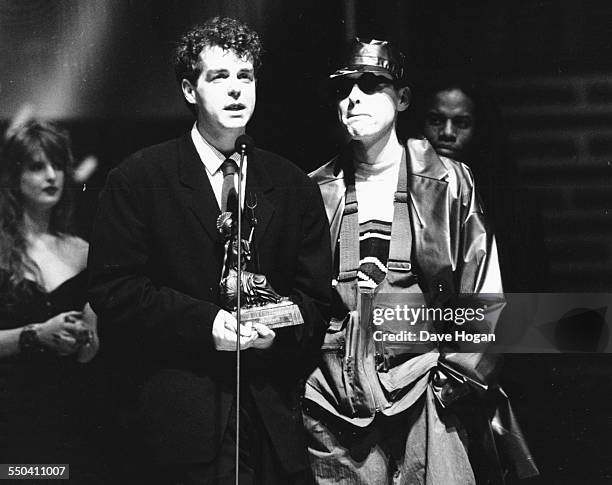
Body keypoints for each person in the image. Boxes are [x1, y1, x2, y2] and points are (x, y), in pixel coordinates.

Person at [87, 17, 331, 485]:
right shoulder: (140, 178)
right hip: (177, 425)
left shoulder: (293, 185)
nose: (236, 90)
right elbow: (114, 290)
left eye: (246, 77)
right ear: (188, 89)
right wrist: (206, 325)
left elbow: (317, 301)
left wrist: (275, 333)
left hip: (271, 426)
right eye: (219, 77)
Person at [302, 39, 538, 484]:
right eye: (345, 87)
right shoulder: (315, 190)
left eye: (372, 84)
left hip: (427, 392)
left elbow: (481, 287)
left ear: (403, 98)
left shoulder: (446, 180)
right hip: (335, 402)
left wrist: (452, 384)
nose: (354, 97)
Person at [0, 120, 100, 479]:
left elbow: (93, 354)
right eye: (37, 166)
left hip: (72, 415)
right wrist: (36, 334)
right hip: (10, 419)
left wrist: (89, 334)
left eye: (57, 165)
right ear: (14, 175)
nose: (51, 175)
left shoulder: (84, 252)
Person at [418, 75, 549, 292]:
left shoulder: (512, 205)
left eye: (462, 123)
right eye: (436, 120)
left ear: (479, 130)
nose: (447, 133)